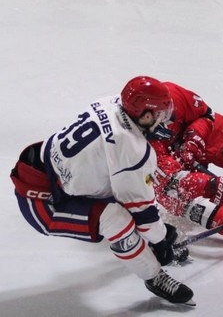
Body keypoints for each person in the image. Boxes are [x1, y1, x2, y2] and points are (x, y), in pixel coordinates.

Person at [10, 77, 195, 305]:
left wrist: (157, 233)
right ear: (144, 115)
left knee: (121, 196)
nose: (166, 120)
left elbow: (127, 190)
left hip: (50, 172)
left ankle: (146, 251)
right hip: (43, 201)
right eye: (159, 114)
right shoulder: (132, 149)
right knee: (116, 220)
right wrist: (161, 239)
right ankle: (154, 276)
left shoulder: (110, 102)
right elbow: (143, 216)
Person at [127, 76, 223, 253]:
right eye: (163, 113)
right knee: (174, 195)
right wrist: (214, 186)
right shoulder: (138, 146)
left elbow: (206, 115)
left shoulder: (170, 95)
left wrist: (194, 137)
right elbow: (174, 182)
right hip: (167, 168)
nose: (170, 115)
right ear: (146, 117)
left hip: (195, 141)